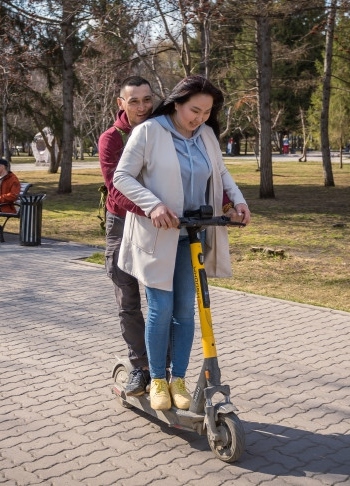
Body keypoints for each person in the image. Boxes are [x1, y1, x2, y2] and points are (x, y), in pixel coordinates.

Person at [113, 75, 250, 411]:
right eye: (194, 110)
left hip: (193, 234)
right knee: (161, 309)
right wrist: (153, 204)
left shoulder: (205, 135)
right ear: (176, 102)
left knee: (186, 312)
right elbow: (121, 177)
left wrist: (238, 200)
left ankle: (179, 379)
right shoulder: (149, 132)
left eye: (206, 112)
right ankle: (157, 378)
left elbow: (220, 172)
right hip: (159, 234)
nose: (199, 118)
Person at [99, 76, 154, 396]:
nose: (143, 107)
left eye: (147, 99)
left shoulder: (162, 131)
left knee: (162, 300)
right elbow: (116, 190)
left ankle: (163, 369)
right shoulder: (112, 138)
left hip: (158, 224)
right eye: (134, 101)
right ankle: (140, 367)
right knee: (128, 300)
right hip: (122, 223)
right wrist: (155, 210)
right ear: (121, 104)